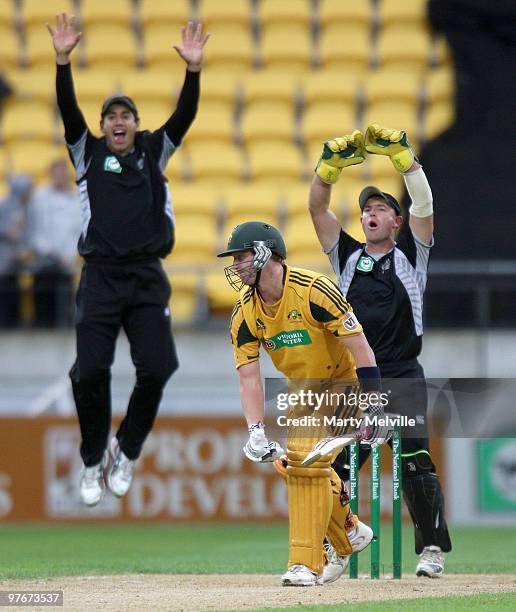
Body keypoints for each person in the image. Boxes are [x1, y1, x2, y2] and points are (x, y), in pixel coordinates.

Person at [47, 14, 209, 506]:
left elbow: (184, 117)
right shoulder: (86, 154)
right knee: (89, 373)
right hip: (99, 277)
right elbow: (68, 110)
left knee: (158, 368)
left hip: (145, 277)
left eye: (126, 116)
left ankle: (126, 450)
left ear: (137, 125)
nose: (119, 122)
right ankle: (94, 458)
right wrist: (61, 61)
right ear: (101, 127)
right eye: (111, 117)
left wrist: (193, 73)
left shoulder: (154, 152)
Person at [309, 124, 452, 578]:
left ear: (396, 220)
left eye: (381, 208)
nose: (371, 213)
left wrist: (406, 162)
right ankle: (337, 545)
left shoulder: (413, 253)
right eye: (366, 209)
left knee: (415, 462)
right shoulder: (346, 256)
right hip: (356, 377)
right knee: (337, 466)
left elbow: (425, 205)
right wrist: (326, 169)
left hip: (404, 373)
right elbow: (316, 207)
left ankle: (431, 548)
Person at [218, 221, 392, 586]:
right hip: (305, 396)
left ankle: (304, 565)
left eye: (242, 256)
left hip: (345, 385)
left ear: (266, 254)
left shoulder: (314, 291)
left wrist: (375, 405)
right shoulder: (244, 314)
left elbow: (360, 346)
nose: (236, 266)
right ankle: (350, 533)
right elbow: (249, 376)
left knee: (302, 455)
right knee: (295, 464)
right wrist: (255, 430)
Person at [26, 158, 82, 327]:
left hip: (66, 260)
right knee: (43, 305)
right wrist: (48, 251)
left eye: (62, 173)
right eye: (56, 173)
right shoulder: (39, 198)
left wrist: (70, 254)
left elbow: (78, 230)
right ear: (50, 174)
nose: (59, 176)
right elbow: (35, 228)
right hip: (44, 259)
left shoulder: (76, 199)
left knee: (63, 305)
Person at [0, 175, 33, 328]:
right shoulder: (4, 206)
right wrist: (8, 231)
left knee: (15, 290)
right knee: (5, 290)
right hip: (4, 257)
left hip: (19, 258)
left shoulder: (28, 208)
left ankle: (15, 321)